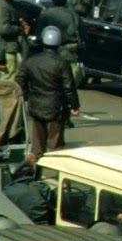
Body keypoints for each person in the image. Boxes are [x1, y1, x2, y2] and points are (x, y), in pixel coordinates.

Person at [16, 26, 79, 159]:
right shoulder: (62, 63)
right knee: (56, 144)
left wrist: (25, 96)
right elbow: (69, 87)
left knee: (37, 144)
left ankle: (35, 170)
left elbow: (20, 81)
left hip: (36, 105)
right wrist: (75, 106)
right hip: (56, 107)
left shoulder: (31, 61)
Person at [37, 0, 81, 82]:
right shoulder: (74, 15)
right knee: (70, 82)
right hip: (70, 54)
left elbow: (38, 34)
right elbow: (83, 35)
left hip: (50, 55)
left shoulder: (47, 14)